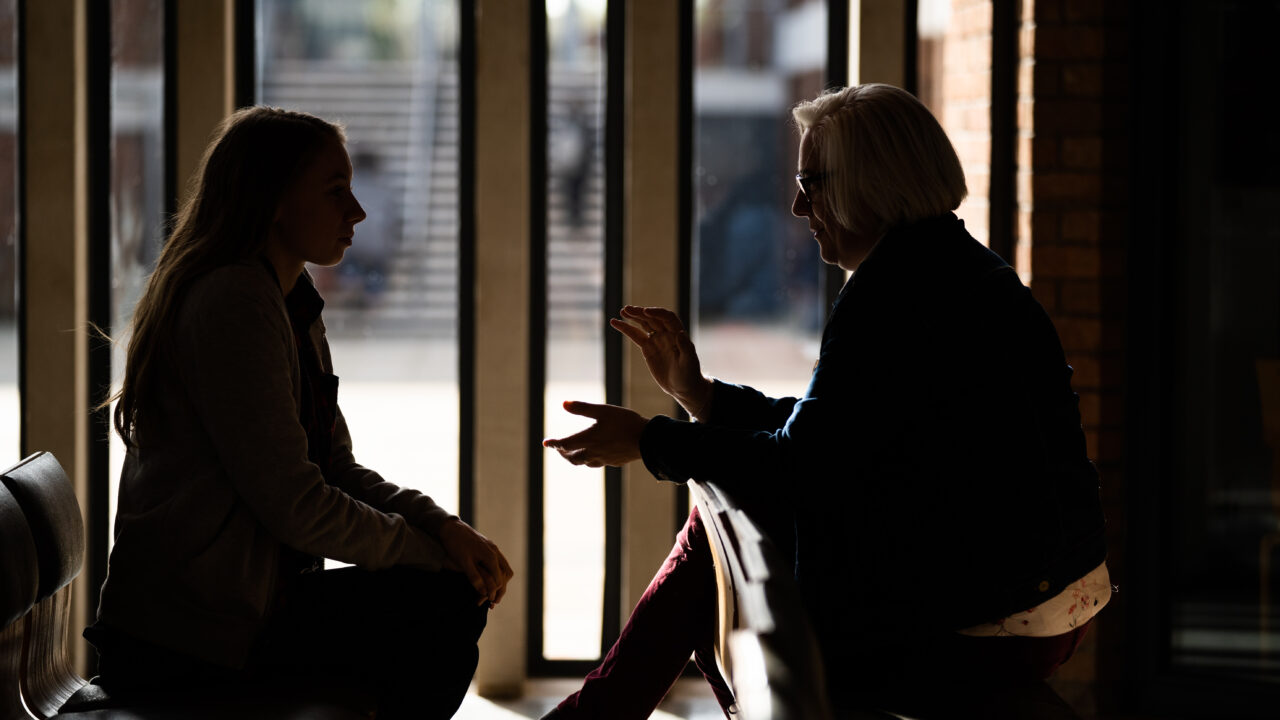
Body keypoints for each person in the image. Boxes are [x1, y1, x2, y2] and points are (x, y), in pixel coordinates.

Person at [542, 83, 1110, 717]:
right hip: (1046, 590)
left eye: (811, 183)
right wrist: (698, 395)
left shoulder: (895, 294)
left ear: (870, 183)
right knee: (729, 524)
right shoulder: (951, 266)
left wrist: (650, 441)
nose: (795, 205)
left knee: (725, 528)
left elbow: (802, 466)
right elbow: (837, 437)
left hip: (997, 620)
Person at [86, 106, 513, 720]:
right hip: (190, 643)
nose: (358, 212)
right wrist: (431, 553)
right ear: (273, 200)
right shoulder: (234, 301)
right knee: (444, 602)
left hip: (243, 614)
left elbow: (334, 467)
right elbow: (297, 507)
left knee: (445, 597)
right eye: (336, 191)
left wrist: (443, 529)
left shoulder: (285, 300)